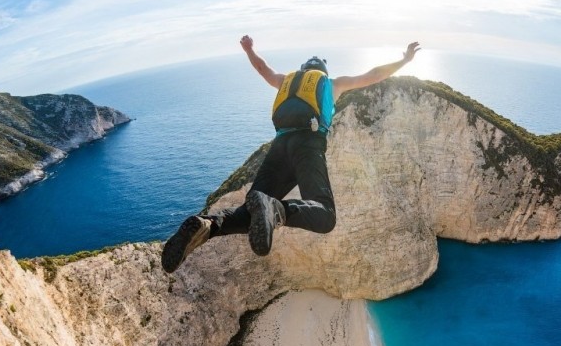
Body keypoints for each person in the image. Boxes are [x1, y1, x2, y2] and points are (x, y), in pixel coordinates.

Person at [161, 35, 420, 273]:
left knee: (249, 214)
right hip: (308, 145)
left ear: (304, 70)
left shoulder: (286, 81)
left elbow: (263, 69)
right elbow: (374, 75)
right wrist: (405, 60)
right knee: (325, 215)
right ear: (322, 72)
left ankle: (207, 225)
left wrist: (249, 49)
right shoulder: (332, 84)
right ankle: (275, 209)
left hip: (279, 147)